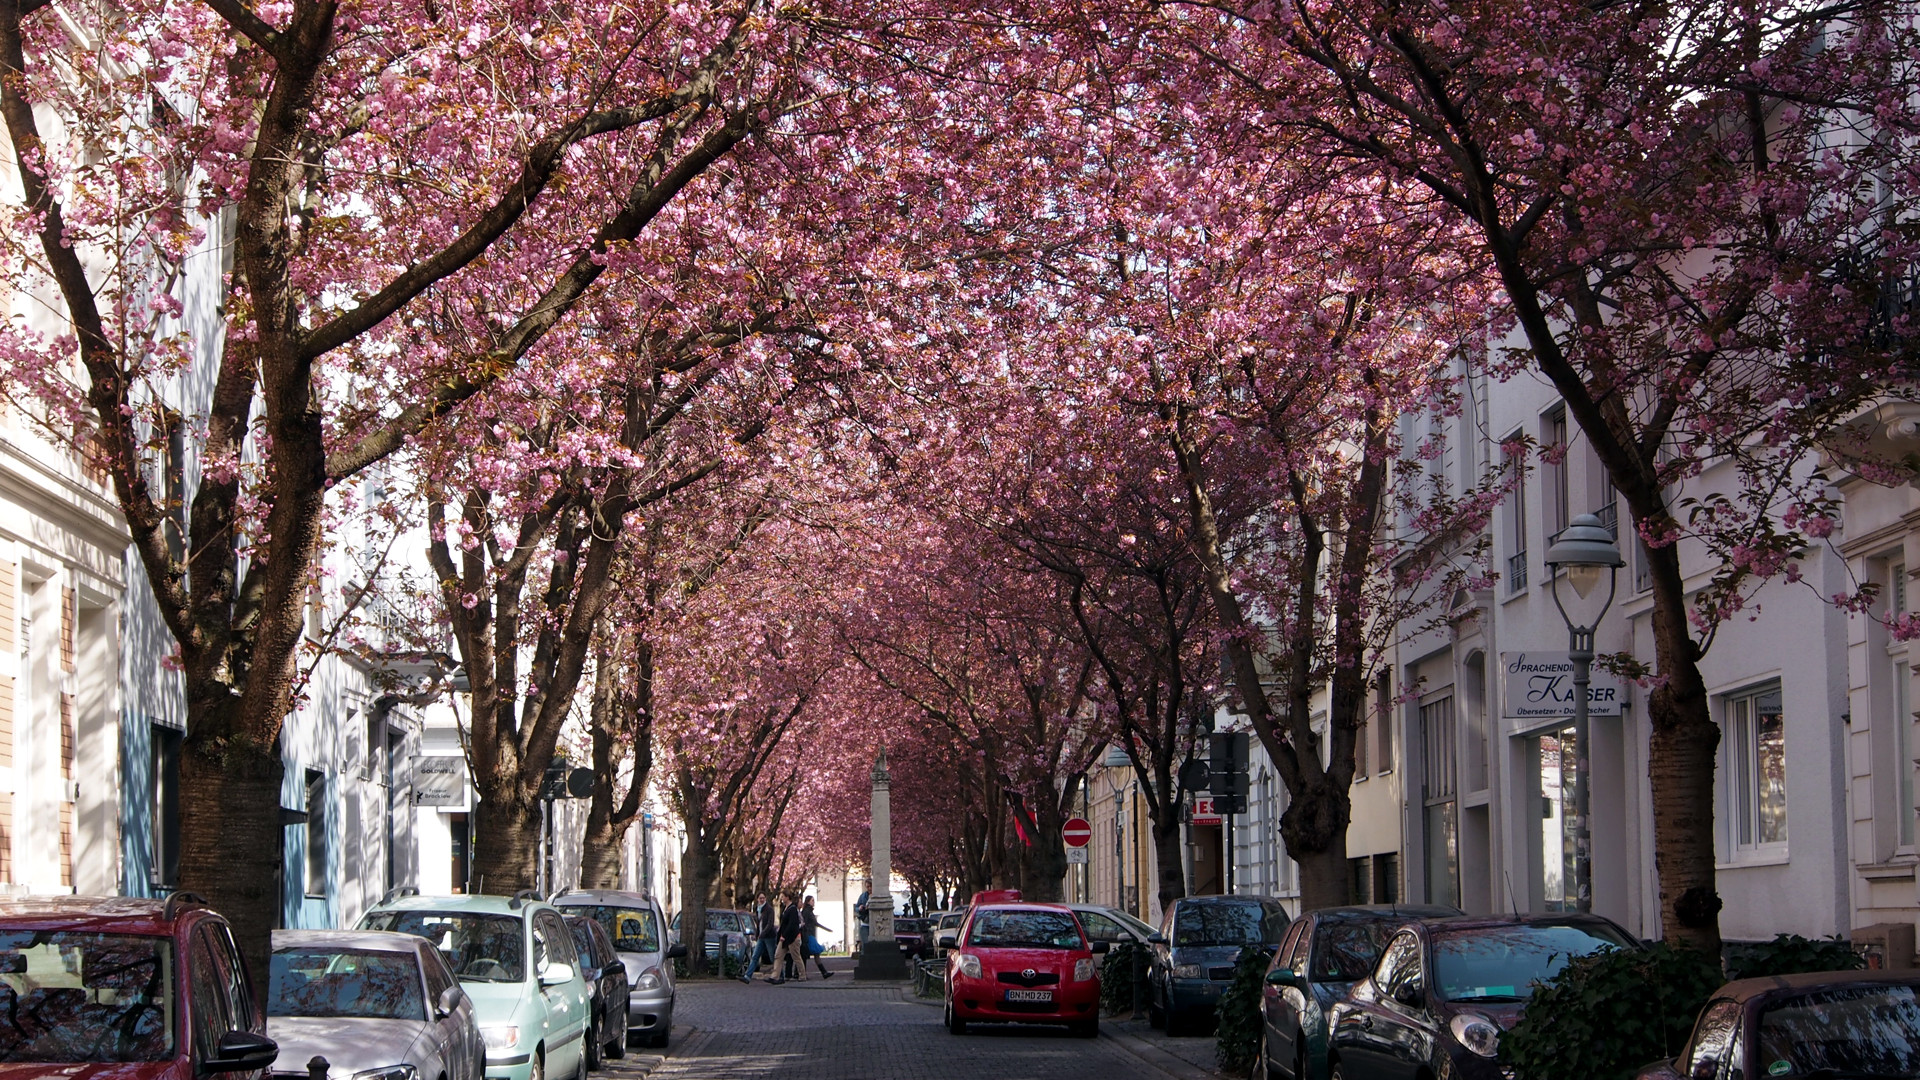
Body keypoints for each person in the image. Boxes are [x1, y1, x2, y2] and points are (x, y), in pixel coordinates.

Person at [771, 892, 807, 983]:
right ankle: (775, 976)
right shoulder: (785, 909)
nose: (782, 899)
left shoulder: (793, 909)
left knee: (796, 957)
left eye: (783, 897)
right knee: (778, 955)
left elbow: (792, 925)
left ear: (787, 897)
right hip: (784, 937)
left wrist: (784, 935)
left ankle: (802, 975)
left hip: (792, 938)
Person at [744, 892, 777, 983]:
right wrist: (758, 934)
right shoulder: (758, 909)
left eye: (763, 898)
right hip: (761, 937)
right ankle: (747, 976)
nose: (762, 900)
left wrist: (763, 933)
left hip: (769, 937)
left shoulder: (769, 909)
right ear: (757, 899)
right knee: (755, 956)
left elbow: (770, 924)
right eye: (760, 898)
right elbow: (759, 924)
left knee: (772, 957)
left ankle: (780, 974)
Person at [801, 895, 835, 979]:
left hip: (809, 934)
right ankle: (803, 973)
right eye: (812, 900)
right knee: (807, 954)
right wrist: (826, 929)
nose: (814, 902)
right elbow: (812, 923)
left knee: (811, 954)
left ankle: (823, 972)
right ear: (808, 901)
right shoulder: (807, 911)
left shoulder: (808, 911)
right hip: (808, 935)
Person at [854, 883, 870, 954]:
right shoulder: (863, 896)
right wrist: (859, 908)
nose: (869, 888)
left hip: (875, 924)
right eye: (867, 887)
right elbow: (856, 908)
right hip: (865, 922)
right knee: (865, 943)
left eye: (870, 886)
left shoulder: (877, 895)